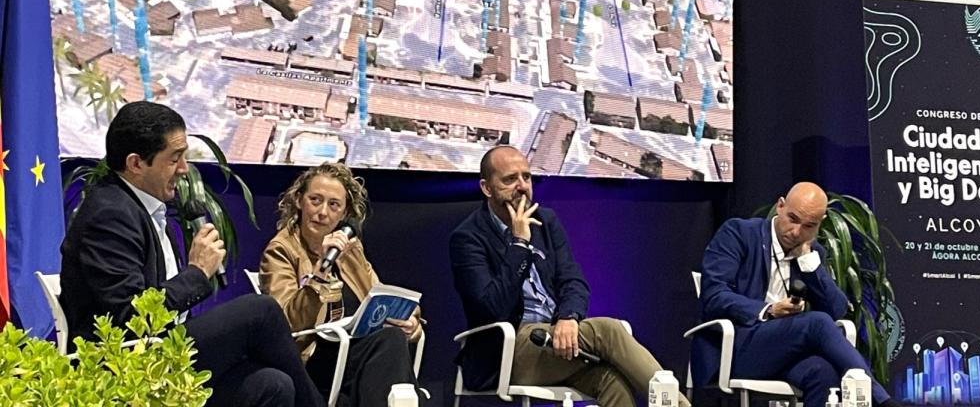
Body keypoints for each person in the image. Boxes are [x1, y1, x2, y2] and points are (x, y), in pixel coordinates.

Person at [60, 101, 324, 407]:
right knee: (260, 312)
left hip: (158, 350)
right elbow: (131, 317)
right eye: (174, 159)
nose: (185, 169)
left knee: (272, 385)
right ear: (136, 163)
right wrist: (197, 273)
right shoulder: (109, 215)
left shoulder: (140, 208)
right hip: (126, 367)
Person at [449, 146, 688, 407]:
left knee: (612, 381)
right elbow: (491, 308)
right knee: (608, 330)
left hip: (552, 340)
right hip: (506, 348)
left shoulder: (546, 221)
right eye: (510, 179)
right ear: (486, 188)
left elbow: (573, 280)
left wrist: (568, 317)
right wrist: (519, 245)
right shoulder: (468, 238)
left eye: (527, 177)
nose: (522, 186)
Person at [692, 182, 900, 407]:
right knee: (817, 322)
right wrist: (769, 310)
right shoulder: (739, 233)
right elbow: (714, 296)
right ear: (780, 206)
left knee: (824, 374)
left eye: (809, 226)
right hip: (734, 349)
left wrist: (809, 264)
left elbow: (837, 310)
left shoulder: (810, 253)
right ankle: (883, 401)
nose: (796, 232)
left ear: (819, 226)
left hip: (780, 352)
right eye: (793, 219)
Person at [259, 162, 421, 406]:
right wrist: (322, 268)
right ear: (300, 201)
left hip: (355, 356)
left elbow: (379, 296)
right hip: (311, 360)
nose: (322, 212)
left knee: (392, 337)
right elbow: (285, 323)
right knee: (388, 343)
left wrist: (411, 322)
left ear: (344, 215)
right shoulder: (281, 250)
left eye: (333, 205)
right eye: (315, 200)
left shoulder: (351, 248)